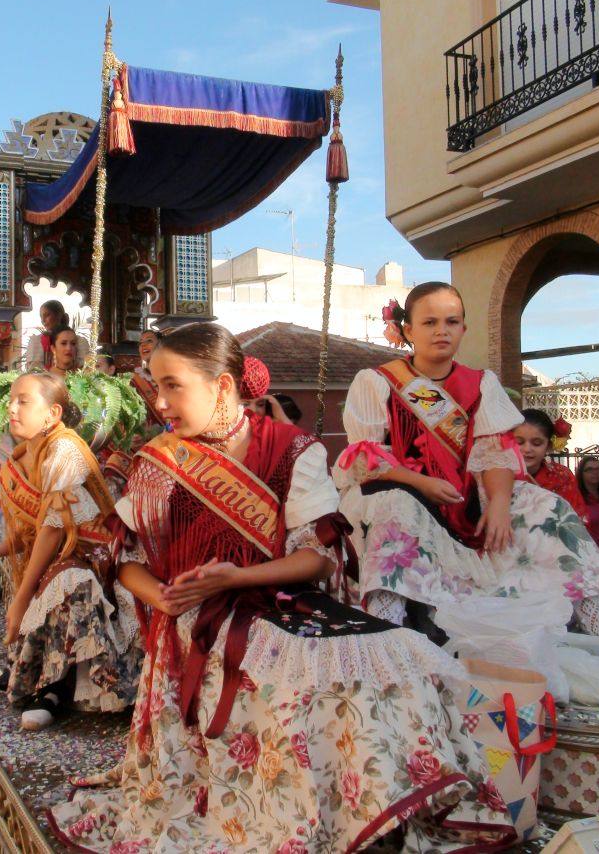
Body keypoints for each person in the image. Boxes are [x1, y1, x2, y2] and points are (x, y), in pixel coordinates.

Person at [50, 323, 513, 851]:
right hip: (195, 619)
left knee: (400, 651)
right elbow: (125, 559)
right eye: (157, 385)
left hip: (281, 599)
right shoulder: (158, 460)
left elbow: (314, 559)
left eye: (172, 385)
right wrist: (160, 596)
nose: (160, 401)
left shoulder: (293, 449)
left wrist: (239, 577)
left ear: (222, 388)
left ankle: (368, 810)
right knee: (283, 679)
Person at [334, 282, 599, 643]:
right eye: (430, 322)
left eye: (451, 322)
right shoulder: (377, 382)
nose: (442, 331)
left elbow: (495, 452)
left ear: (463, 329)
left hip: (466, 496)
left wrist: (500, 503)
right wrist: (421, 483)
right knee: (396, 510)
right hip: (400, 489)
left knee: (546, 505)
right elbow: (365, 457)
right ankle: (387, 627)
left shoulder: (480, 383)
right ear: (408, 329)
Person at [0, 373, 139, 732]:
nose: (11, 408)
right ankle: (51, 682)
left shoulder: (65, 449)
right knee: (56, 573)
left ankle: (56, 689)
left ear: (52, 413)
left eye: (23, 401)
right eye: (10, 400)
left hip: (103, 559)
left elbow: (54, 527)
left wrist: (22, 599)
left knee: (69, 579)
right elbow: (32, 531)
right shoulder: (20, 460)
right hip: (62, 555)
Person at [514, 409, 589, 519]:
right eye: (519, 442)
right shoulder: (498, 474)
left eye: (536, 443)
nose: (527, 449)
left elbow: (577, 519)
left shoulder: (562, 476)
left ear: (548, 446)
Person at [24, 299, 90, 370]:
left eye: (47, 315)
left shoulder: (80, 341)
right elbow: (34, 370)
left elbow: (85, 369)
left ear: (59, 315)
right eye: (41, 317)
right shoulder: (37, 341)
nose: (43, 320)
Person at [129, 328, 163, 429]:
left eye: (149, 341)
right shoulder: (135, 380)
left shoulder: (172, 374)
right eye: (140, 343)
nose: (143, 345)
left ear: (161, 345)